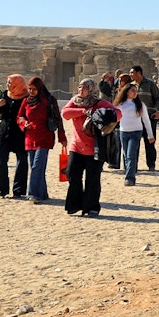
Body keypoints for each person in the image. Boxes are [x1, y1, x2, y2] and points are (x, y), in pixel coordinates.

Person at [60, 78, 119, 216]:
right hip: (76, 146)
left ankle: (91, 207)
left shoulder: (99, 103)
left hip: (95, 148)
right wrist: (83, 111)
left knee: (92, 179)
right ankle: (74, 205)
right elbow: (65, 113)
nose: (81, 90)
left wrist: (103, 115)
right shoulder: (75, 101)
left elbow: (118, 114)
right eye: (80, 87)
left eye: (84, 88)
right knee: (72, 175)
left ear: (91, 89)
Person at [18, 76, 65, 204]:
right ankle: (42, 194)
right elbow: (20, 116)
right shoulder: (26, 101)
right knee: (37, 168)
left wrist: (62, 137)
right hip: (30, 138)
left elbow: (58, 119)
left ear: (40, 88)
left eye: (34, 89)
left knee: (37, 166)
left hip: (45, 138)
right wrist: (24, 123)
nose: (31, 91)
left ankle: (33, 194)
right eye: (29, 89)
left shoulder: (49, 100)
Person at [0, 74, 29, 198]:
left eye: (10, 83)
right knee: (0, 158)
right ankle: (3, 188)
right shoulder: (5, 94)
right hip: (4, 132)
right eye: (8, 82)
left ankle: (18, 190)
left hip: (20, 133)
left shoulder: (26, 98)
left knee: (22, 161)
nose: (7, 85)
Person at [112, 83, 154, 186]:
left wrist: (150, 135)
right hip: (123, 132)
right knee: (126, 155)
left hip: (136, 131)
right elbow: (114, 117)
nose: (135, 93)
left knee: (131, 155)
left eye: (136, 91)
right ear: (126, 92)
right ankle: (130, 173)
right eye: (133, 90)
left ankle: (129, 178)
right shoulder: (120, 104)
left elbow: (146, 120)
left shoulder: (140, 105)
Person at [130, 66, 159, 172]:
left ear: (139, 73)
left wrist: (158, 111)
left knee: (150, 142)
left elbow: (158, 98)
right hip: (135, 119)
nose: (130, 75)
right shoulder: (131, 86)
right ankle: (134, 166)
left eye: (132, 72)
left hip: (150, 118)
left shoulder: (150, 84)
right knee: (135, 143)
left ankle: (151, 165)